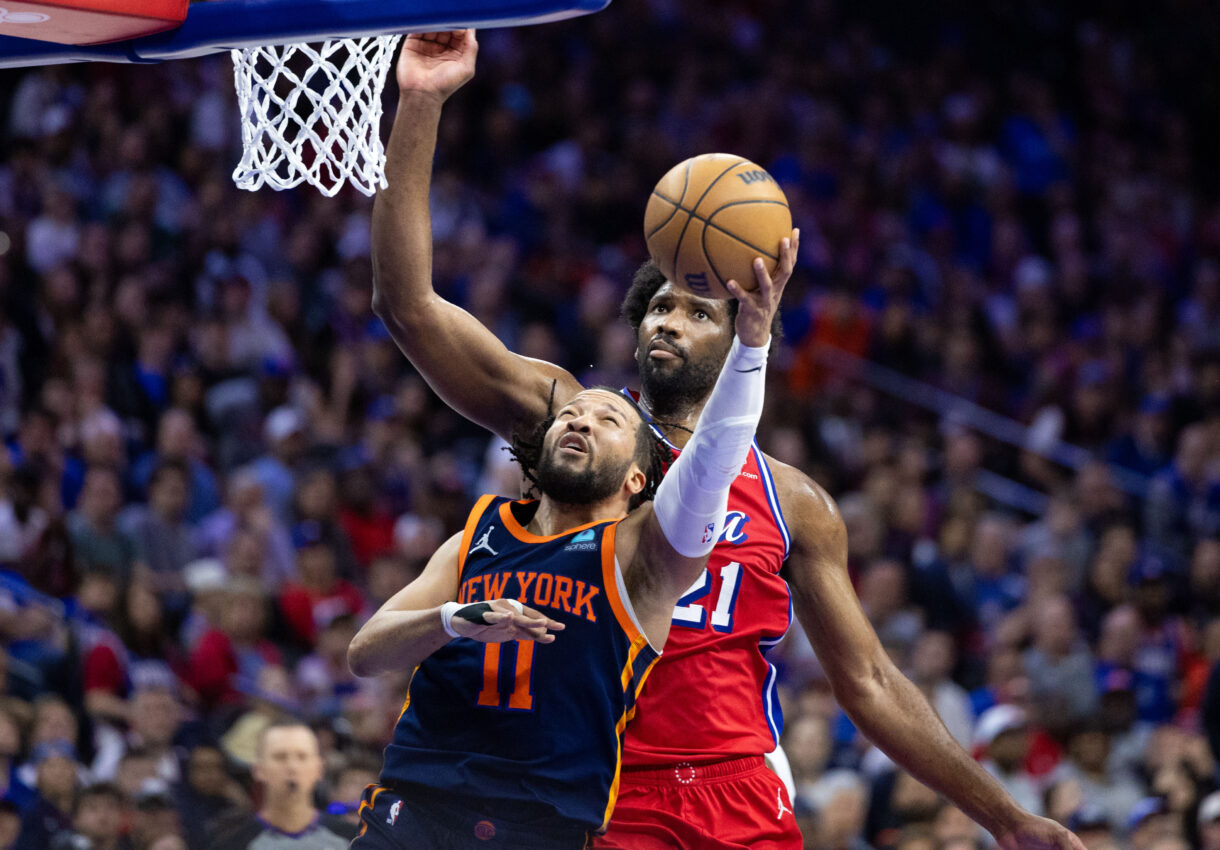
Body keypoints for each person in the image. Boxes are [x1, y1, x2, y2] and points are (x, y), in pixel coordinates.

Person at [371, 28, 1083, 850]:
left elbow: (872, 681)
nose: (670, 321)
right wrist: (421, 101)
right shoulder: (572, 420)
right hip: (596, 795)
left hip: (738, 792)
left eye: (696, 309)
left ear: (743, 326)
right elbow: (407, 307)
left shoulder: (794, 502)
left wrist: (1008, 819)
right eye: (659, 308)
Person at [347, 249, 780, 847]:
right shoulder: (480, 532)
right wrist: (452, 620)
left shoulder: (642, 555)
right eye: (570, 414)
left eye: (608, 421)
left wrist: (750, 348)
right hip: (418, 812)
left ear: (637, 478)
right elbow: (364, 654)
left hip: (541, 830)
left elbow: (711, 465)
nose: (580, 421)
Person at [209, 721, 355, 849]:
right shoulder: (233, 844)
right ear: (258, 769)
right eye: (280, 757)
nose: (292, 767)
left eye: (302, 756)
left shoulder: (353, 840)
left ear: (319, 768)